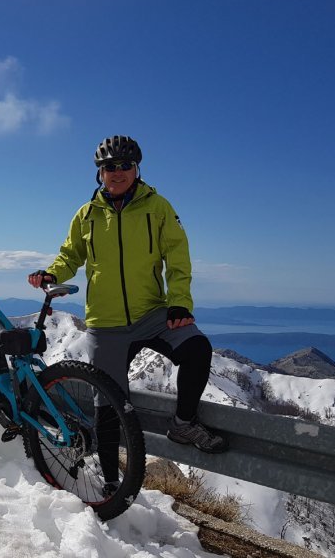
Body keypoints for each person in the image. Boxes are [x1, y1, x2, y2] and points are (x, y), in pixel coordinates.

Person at [27, 135, 227, 488]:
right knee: (108, 407)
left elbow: (177, 259)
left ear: (136, 170)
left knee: (197, 348)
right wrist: (53, 272)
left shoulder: (158, 207)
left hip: (152, 314)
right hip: (106, 324)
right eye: (109, 167)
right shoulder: (86, 215)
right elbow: (71, 254)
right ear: (100, 174)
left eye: (124, 166)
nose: (117, 173)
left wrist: (180, 301)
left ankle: (183, 423)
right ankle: (110, 485)